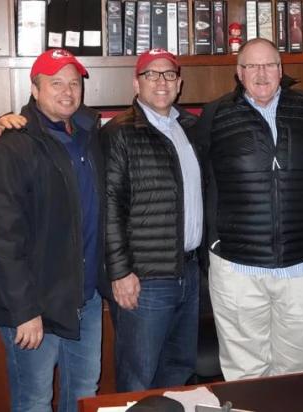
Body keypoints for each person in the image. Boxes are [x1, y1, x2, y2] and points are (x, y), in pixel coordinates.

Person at [0, 48, 105, 412]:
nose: (67, 91)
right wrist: (23, 309)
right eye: (56, 83)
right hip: (36, 307)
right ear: (35, 89)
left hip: (85, 298)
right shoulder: (11, 147)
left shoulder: (88, 136)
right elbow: (1, 239)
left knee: (83, 394)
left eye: (74, 83)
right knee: (33, 401)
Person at [194, 38, 303, 380]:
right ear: (239, 73)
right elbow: (198, 180)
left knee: (298, 374)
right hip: (238, 268)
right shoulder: (215, 114)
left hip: (299, 265)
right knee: (245, 374)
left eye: (270, 65)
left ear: (281, 71)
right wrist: (213, 243)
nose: (262, 73)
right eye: (252, 66)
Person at [101, 48, 203, 392]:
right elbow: (110, 205)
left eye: (169, 74)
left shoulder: (191, 127)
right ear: (136, 82)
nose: (161, 82)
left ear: (180, 83)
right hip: (144, 279)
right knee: (138, 376)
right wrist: (120, 272)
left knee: (178, 369)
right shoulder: (119, 132)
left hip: (188, 271)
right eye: (151, 75)